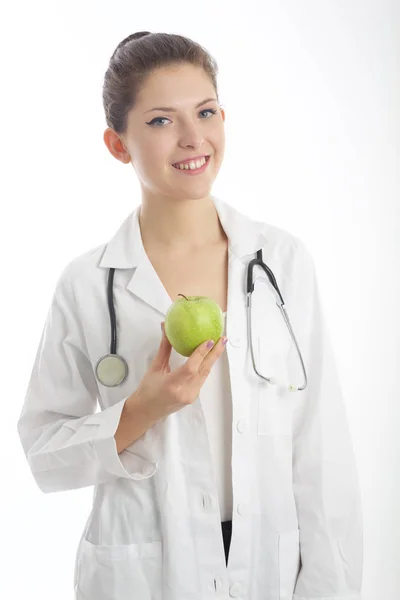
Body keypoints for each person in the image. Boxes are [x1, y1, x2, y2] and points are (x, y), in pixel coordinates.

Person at [17, 31, 363, 599]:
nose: (193, 137)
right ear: (117, 144)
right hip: (145, 572)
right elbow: (45, 455)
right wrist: (143, 409)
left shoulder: (280, 263)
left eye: (205, 112)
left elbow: (320, 446)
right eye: (160, 121)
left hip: (271, 564)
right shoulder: (87, 285)